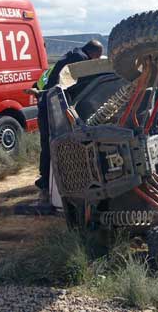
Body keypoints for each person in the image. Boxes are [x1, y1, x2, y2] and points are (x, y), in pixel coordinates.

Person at [27, 39, 104, 203]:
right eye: (97, 58)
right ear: (94, 53)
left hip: (46, 103)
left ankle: (48, 182)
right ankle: (46, 186)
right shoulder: (80, 61)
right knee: (53, 144)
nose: (96, 61)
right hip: (51, 107)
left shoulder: (69, 56)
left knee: (49, 143)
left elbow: (42, 82)